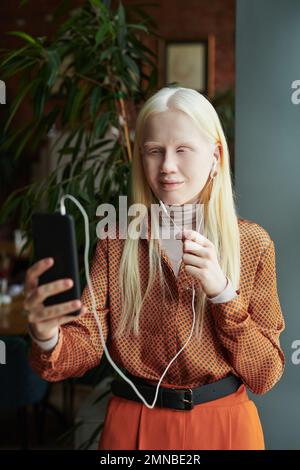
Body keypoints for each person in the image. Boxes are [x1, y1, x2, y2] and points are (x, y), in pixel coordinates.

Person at [24, 87, 285, 450]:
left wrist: (224, 293)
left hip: (224, 427)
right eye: (153, 151)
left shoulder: (253, 244)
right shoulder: (116, 242)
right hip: (133, 425)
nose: (166, 166)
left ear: (215, 157)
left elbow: (265, 374)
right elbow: (83, 347)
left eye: (182, 150)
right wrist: (46, 334)